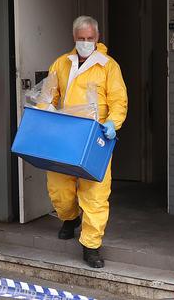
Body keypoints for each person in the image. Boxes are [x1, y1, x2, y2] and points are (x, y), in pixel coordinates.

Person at [45, 15, 127, 268]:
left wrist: (114, 123)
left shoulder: (108, 66)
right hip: (66, 134)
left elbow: (118, 100)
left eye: (90, 38)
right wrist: (44, 113)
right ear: (74, 38)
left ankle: (91, 245)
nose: (85, 42)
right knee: (59, 187)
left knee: (95, 192)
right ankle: (69, 218)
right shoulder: (61, 63)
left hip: (96, 137)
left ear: (97, 38)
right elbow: (48, 94)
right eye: (81, 38)